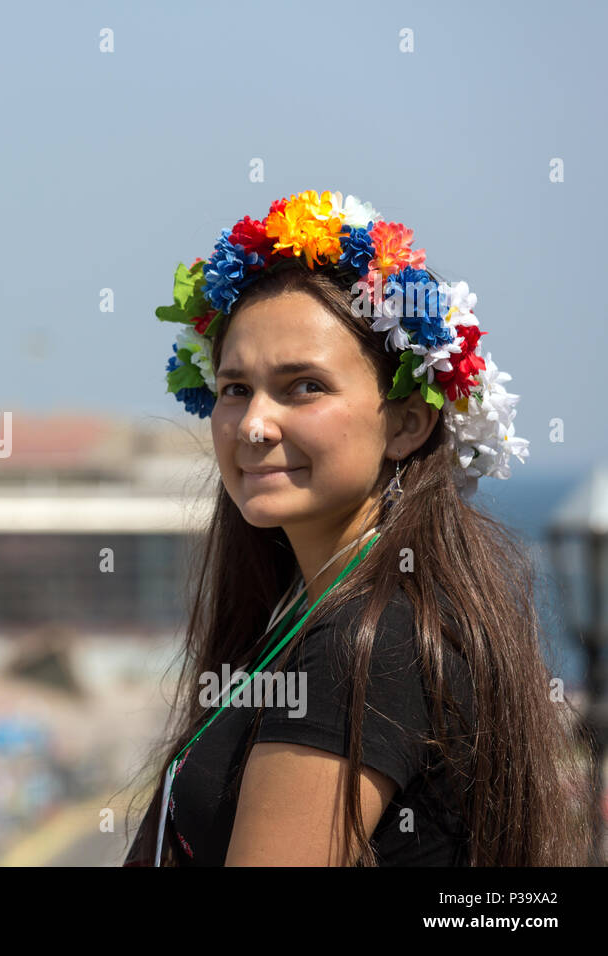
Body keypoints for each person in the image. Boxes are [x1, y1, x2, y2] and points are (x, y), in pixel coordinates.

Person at [122, 190, 595, 866]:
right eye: (234, 388)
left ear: (407, 422)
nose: (254, 424)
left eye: (303, 387)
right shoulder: (324, 613)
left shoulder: (368, 643)